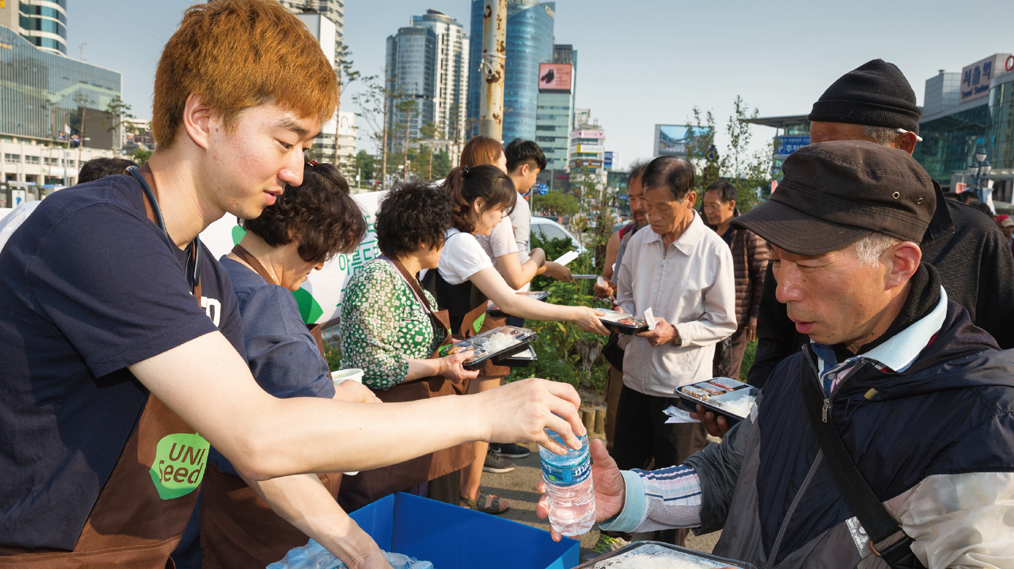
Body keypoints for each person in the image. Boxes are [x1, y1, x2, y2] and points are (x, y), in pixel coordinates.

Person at [0, 2, 586, 567]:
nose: (297, 171)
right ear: (203, 118)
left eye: (306, 147)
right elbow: (259, 435)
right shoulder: (98, 232)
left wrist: (359, 551)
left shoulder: (203, 270)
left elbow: (250, 450)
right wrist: (487, 415)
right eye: (285, 142)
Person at [542, 141, 1014, 568]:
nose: (783, 291)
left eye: (808, 265)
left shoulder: (984, 424)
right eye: (780, 261)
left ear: (898, 265)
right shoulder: (804, 368)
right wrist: (628, 493)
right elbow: (730, 473)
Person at [748, 58, 1014, 394]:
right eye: (813, 150)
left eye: (838, 153)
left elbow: (1000, 357)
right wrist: (755, 409)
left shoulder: (975, 237)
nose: (787, 289)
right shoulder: (795, 226)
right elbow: (776, 342)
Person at [184, 162, 380, 569]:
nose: (322, 264)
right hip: (263, 509)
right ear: (295, 233)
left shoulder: (215, 274)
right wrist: (350, 393)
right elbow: (316, 419)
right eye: (322, 249)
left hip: (209, 492)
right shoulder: (268, 301)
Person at [424, 165, 609, 515]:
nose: (498, 222)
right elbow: (509, 299)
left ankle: (456, 505)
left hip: (447, 353)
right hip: (446, 359)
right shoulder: (462, 242)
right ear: (479, 204)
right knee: (444, 459)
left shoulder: (452, 235)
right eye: (498, 213)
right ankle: (455, 509)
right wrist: (576, 312)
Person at [611, 155, 736, 547]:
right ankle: (616, 541)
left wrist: (677, 331)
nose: (652, 217)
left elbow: (723, 321)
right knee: (627, 469)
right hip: (636, 378)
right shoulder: (637, 241)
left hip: (682, 390)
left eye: (663, 208)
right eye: (647, 207)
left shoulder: (713, 251)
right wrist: (625, 316)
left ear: (689, 199)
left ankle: (666, 552)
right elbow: (626, 293)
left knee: (676, 481)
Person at [338, 182, 479, 511]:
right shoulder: (376, 278)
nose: (444, 241)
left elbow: (409, 348)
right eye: (440, 232)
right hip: (392, 431)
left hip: (415, 427)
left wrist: (451, 351)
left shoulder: (410, 280)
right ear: (420, 239)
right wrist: (440, 366)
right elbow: (371, 365)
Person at [585, 159, 649, 559]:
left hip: (668, 360)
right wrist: (604, 289)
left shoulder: (697, 243)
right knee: (618, 425)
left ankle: (652, 526)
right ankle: (616, 528)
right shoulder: (623, 236)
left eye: (643, 197)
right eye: (632, 198)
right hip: (625, 350)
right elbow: (610, 281)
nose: (638, 205)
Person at [702, 180, 769, 379]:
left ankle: (721, 410)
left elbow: (763, 275)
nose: (708, 211)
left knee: (726, 376)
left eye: (714, 206)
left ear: (731, 205)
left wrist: (756, 314)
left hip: (736, 317)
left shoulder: (747, 232)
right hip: (705, 314)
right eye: (706, 206)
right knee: (705, 373)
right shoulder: (706, 233)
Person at [504, 138, 572, 291]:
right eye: (536, 174)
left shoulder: (492, 196)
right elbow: (519, 263)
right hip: (511, 296)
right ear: (524, 169)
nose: (535, 180)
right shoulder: (518, 204)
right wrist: (550, 266)